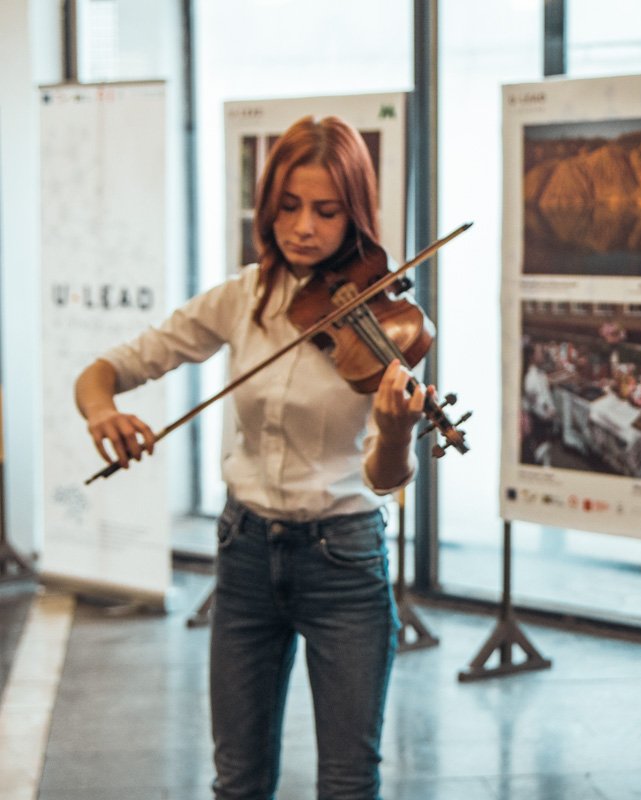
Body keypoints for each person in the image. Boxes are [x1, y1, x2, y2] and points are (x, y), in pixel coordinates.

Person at [74, 115, 425, 799]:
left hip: (345, 559)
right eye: (288, 207)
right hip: (244, 554)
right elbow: (108, 368)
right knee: (237, 782)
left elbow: (385, 477)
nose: (303, 228)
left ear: (355, 214)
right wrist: (102, 410)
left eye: (326, 211)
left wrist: (400, 431)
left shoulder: (386, 324)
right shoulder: (243, 297)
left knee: (349, 784)